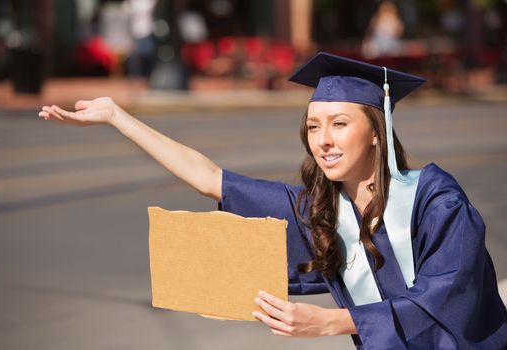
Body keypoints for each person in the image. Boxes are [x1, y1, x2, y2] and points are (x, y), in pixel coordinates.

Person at [38, 52, 507, 349]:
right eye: (313, 126)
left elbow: (447, 298)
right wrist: (118, 116)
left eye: (340, 124)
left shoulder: (436, 202)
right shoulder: (322, 212)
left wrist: (329, 323)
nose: (322, 140)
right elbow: (210, 179)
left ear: (377, 134)